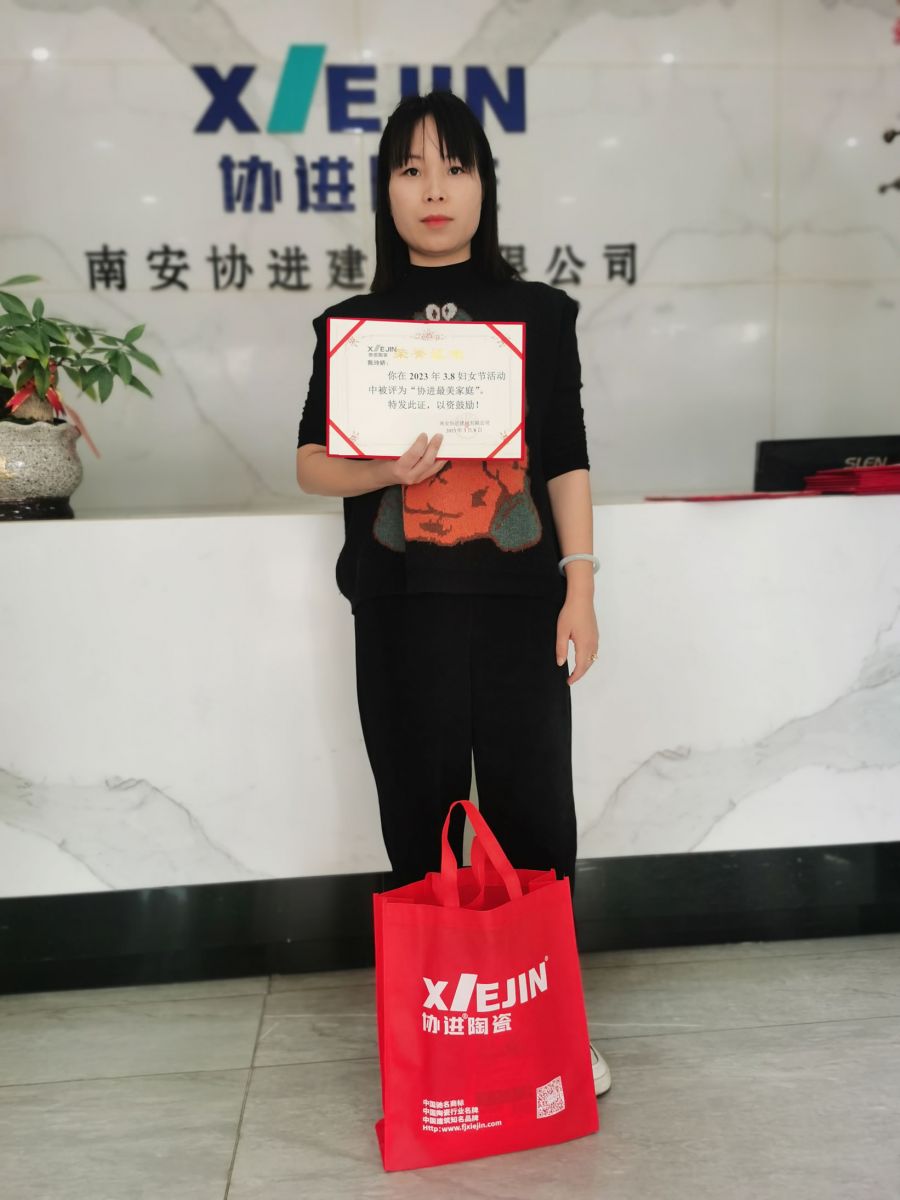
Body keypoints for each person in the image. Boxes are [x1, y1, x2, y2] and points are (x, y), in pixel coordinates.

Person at [295, 90, 610, 1097]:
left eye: (455, 167)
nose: (434, 189)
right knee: (418, 820)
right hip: (399, 606)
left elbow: (565, 458)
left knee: (534, 818)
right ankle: (437, 1046)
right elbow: (310, 463)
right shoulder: (352, 328)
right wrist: (385, 470)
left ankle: (550, 1034)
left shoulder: (540, 315)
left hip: (519, 609)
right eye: (411, 169)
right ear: (385, 192)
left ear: (485, 186)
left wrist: (580, 583)